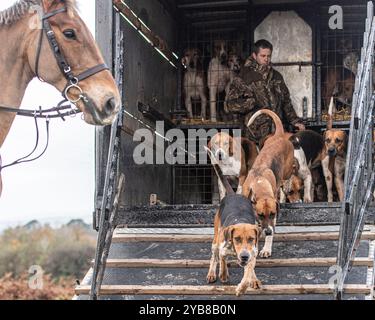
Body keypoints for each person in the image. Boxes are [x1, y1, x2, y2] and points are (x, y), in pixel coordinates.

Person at [226, 39, 305, 144]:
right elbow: (230, 104)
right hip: (254, 137)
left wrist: (295, 121)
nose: (266, 59)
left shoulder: (276, 76)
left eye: (269, 56)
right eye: (263, 56)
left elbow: (286, 102)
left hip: (277, 133)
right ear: (254, 55)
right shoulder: (243, 77)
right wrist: (250, 103)